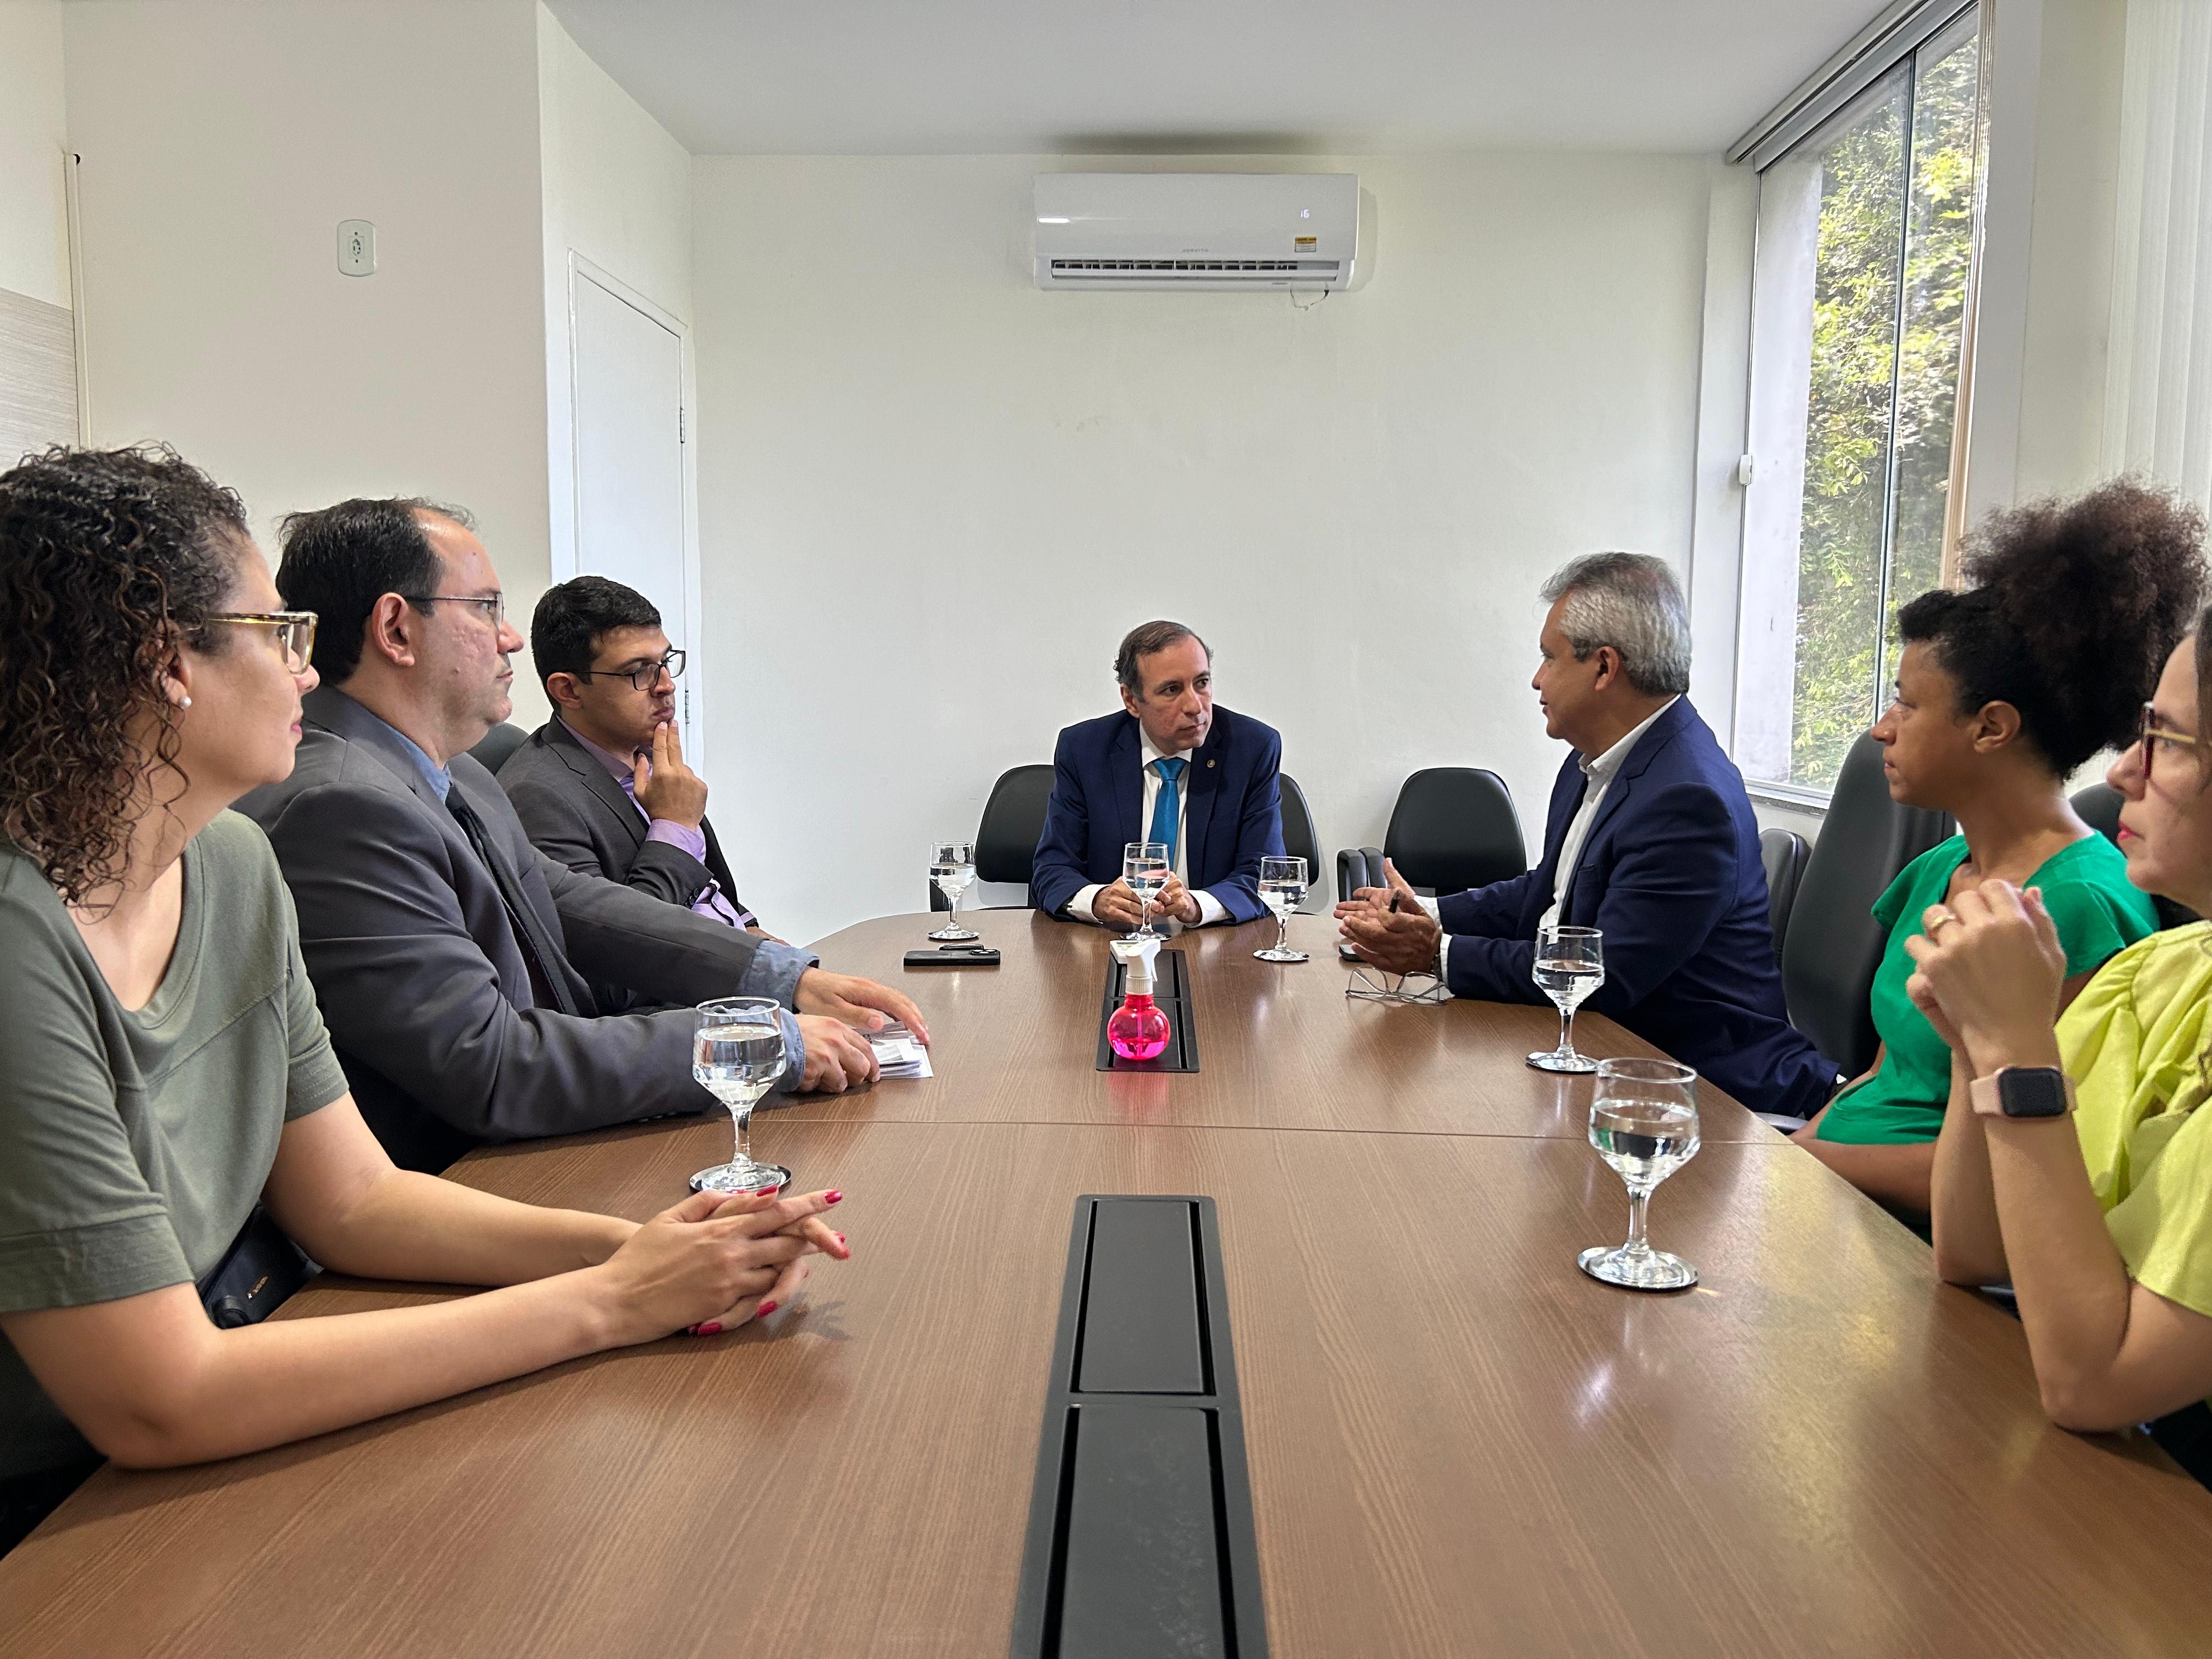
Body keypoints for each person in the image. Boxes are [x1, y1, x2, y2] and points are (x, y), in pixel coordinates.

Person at [0, 447, 845, 1550]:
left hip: (223, 1412)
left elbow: (354, 1202)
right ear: (169, 663)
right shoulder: (21, 938)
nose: (309, 672)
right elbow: (162, 1395)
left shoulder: (236, 870)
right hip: (64, 1515)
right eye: (279, 634)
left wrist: (648, 1245)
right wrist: (613, 1300)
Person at [240, 497, 924, 1173]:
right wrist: (748, 1040)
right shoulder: (342, 804)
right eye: (487, 608)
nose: (510, 638)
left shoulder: (463, 775)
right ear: (395, 628)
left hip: (542, 1141)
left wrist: (779, 980)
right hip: (466, 1180)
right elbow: (490, 1065)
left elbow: (575, 905)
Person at [1794, 483, 2196, 1215]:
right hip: (1834, 1183)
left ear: (1991, 728)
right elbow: (1884, 1078)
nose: (1883, 729)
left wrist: (1804, 1163)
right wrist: (1793, 1152)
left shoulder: (2080, 905)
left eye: (1909, 705)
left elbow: (2041, 1164)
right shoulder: (1934, 871)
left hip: (1919, 1229)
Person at [1336, 552, 1838, 1119]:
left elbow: (1603, 977)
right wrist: (1426, 912)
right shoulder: (1594, 760)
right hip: (1598, 1060)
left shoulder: (1687, 799)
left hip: (1702, 1096)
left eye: (1549, 658)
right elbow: (1544, 898)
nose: (1536, 678)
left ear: (1604, 668)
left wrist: (1437, 953)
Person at [1911, 608, 2212, 1473]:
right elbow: (1971, 1252)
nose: (2122, 769)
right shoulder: (2156, 972)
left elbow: (2094, 1385)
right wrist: (1976, 1045)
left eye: (2168, 739)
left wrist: (2016, 1052)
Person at [501, 575, 774, 938]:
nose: (666, 685)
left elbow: (704, 887)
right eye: (638, 671)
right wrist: (674, 828)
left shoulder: (646, 755)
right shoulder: (537, 796)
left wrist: (750, 929)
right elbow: (620, 951)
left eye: (665, 662)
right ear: (568, 690)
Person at [1030, 620, 1284, 930]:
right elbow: (1052, 869)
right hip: (1108, 947)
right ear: (1132, 701)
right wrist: (1098, 901)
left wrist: (1197, 904)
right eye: (1172, 689)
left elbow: (1265, 874)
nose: (1195, 706)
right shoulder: (1085, 750)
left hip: (1215, 946)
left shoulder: (1252, 748)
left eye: (1202, 683)